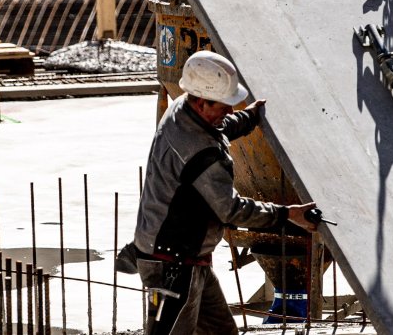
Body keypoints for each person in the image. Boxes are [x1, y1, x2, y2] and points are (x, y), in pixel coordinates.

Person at [132, 50, 318, 335]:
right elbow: (230, 210)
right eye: (224, 105)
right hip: (172, 267)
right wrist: (287, 215)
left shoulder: (183, 108)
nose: (229, 111)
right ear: (201, 101)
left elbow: (218, 129)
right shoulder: (200, 152)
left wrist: (249, 117)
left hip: (190, 260)